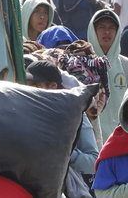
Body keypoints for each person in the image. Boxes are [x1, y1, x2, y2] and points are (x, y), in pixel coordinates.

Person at [26, 60, 98, 194]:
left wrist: (63, 152)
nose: (29, 90)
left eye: (35, 84)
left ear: (52, 86)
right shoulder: (23, 113)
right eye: (27, 85)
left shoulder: (75, 115)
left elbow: (93, 163)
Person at [87, 9, 128, 143]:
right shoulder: (82, 66)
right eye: (101, 27)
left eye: (111, 28)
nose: (106, 32)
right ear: (93, 31)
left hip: (123, 139)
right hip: (92, 139)